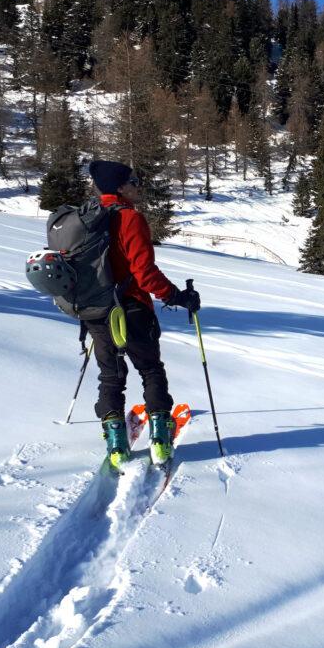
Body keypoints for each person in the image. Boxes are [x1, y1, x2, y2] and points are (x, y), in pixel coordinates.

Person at [85, 160, 199, 467]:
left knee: (111, 376)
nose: (139, 186)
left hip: (96, 312)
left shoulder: (88, 218)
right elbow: (144, 273)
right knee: (150, 369)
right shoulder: (129, 219)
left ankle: (116, 445)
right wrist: (177, 297)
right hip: (132, 308)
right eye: (134, 181)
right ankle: (161, 440)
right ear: (120, 187)